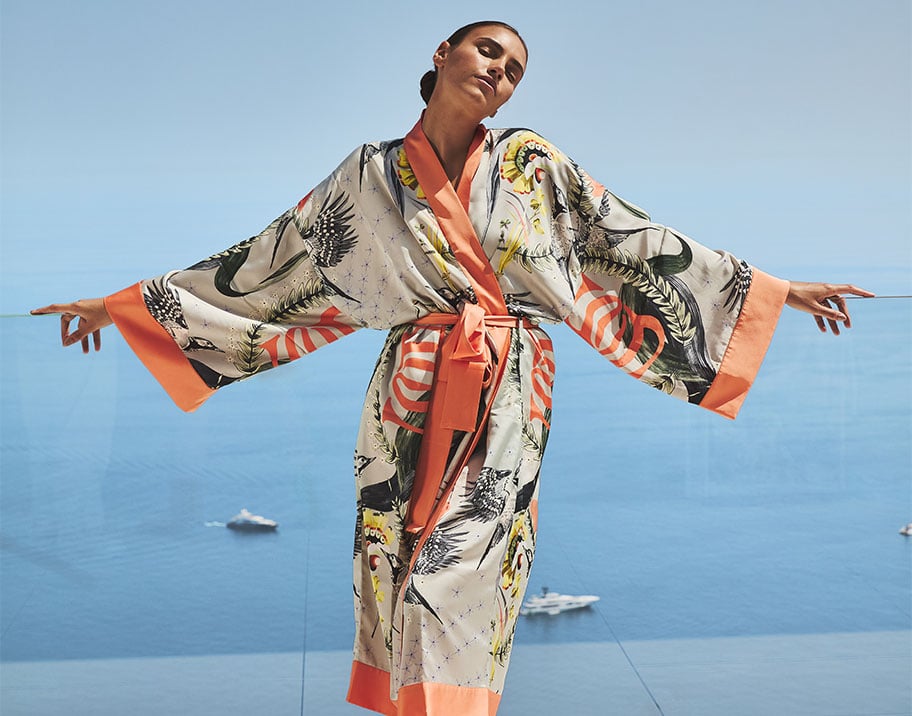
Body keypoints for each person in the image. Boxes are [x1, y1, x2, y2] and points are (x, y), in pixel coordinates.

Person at [31, 20, 873, 716]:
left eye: (514, 72)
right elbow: (271, 267)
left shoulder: (533, 164)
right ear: (442, 56)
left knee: (456, 578)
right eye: (488, 55)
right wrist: (122, 308)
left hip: (509, 392)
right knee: (396, 572)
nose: (500, 76)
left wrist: (774, 290)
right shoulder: (366, 177)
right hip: (408, 391)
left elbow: (630, 242)